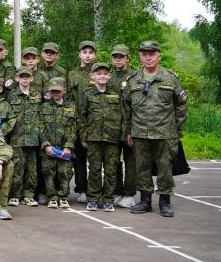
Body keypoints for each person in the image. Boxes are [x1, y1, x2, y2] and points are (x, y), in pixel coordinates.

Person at [123, 40, 188, 218]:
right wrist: (128, 131)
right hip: (139, 132)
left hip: (165, 133)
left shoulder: (170, 78)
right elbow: (126, 108)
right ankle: (145, 201)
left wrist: (178, 130)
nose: (148, 57)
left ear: (159, 55)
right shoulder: (133, 80)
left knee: (165, 167)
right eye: (144, 54)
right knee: (142, 167)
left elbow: (181, 105)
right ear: (139, 56)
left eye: (152, 54)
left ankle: (165, 202)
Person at [79, 63, 123, 212]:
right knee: (95, 170)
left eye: (105, 73)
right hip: (94, 138)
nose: (102, 76)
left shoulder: (116, 94)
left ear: (109, 76)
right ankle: (93, 199)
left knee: (111, 170)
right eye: (99, 74)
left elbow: (123, 115)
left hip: (112, 138)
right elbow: (82, 116)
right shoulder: (87, 93)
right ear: (92, 76)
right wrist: (83, 136)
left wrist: (121, 136)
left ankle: (108, 199)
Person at [6, 68, 43, 207]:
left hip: (33, 138)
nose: (25, 79)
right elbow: (8, 116)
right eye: (22, 77)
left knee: (31, 169)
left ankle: (28, 195)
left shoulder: (37, 95)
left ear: (32, 78)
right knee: (17, 168)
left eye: (27, 77)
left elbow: (41, 116)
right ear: (17, 78)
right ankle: (15, 195)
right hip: (16, 138)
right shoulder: (11, 96)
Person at [67, 40, 98, 202]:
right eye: (84, 52)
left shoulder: (100, 72)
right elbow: (68, 97)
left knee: (95, 158)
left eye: (91, 52)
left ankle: (95, 189)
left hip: (95, 121)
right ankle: (82, 190)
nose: (87, 55)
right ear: (79, 54)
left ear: (95, 55)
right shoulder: (72, 74)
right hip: (77, 120)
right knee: (78, 158)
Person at [109, 44, 138, 208]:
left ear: (128, 58)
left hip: (131, 125)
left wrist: (134, 127)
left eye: (121, 56)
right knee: (113, 161)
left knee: (131, 161)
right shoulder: (108, 76)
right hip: (112, 126)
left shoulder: (135, 76)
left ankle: (129, 193)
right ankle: (116, 191)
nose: (118, 59)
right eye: (115, 56)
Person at [40, 78, 76, 209]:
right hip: (49, 148)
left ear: (64, 90)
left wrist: (69, 145)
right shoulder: (44, 107)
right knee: (48, 172)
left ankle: (63, 196)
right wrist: (46, 144)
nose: (56, 93)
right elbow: (39, 127)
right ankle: (52, 197)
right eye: (53, 91)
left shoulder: (71, 107)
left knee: (64, 173)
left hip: (64, 148)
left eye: (58, 91)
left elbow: (75, 127)